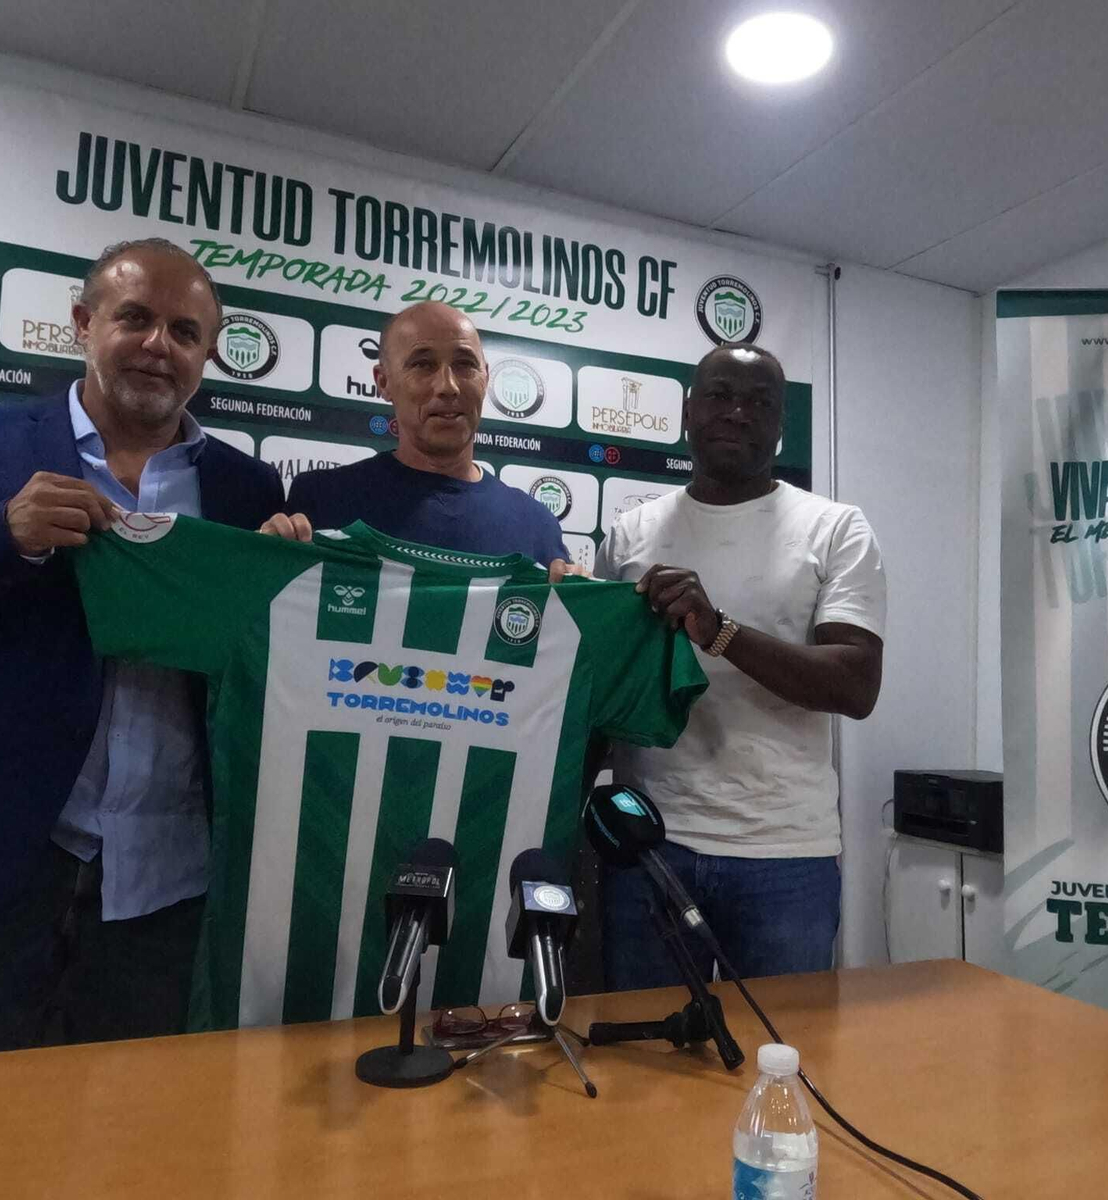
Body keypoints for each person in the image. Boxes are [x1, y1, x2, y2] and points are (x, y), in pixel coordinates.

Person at [0, 238, 284, 1058]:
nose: (158, 345)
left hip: (170, 889)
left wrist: (290, 582)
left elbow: (264, 673)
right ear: (82, 323)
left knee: (136, 1151)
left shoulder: (249, 491)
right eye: (135, 318)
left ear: (207, 356)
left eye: (184, 332)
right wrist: (0, 535)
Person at [594, 342, 885, 989]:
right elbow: (596, 695)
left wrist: (719, 631)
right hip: (649, 846)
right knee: (644, 1067)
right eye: (720, 396)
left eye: (760, 402)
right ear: (689, 411)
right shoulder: (628, 536)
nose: (737, 412)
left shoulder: (835, 528)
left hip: (784, 854)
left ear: (781, 425)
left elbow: (857, 684)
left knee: (780, 1060)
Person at [261, 301, 571, 571]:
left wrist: (580, 600)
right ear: (383, 382)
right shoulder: (320, 500)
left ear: (486, 378)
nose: (448, 386)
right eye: (423, 364)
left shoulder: (537, 526)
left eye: (465, 365)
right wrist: (262, 565)